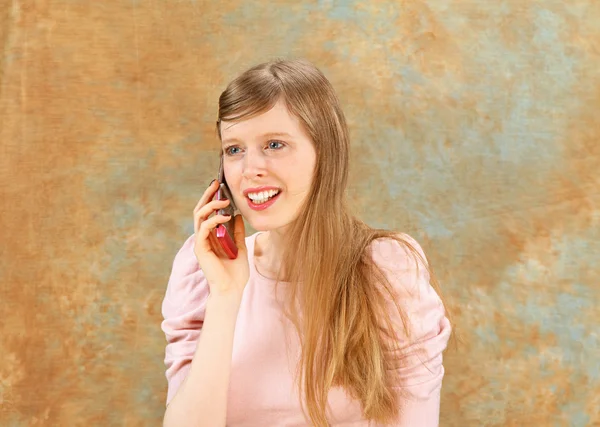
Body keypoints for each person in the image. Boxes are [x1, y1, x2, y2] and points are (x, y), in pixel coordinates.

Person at [160, 58, 452, 427]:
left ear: (325, 153)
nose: (250, 169)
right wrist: (225, 296)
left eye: (274, 144)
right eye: (234, 149)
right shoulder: (203, 273)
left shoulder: (387, 270)